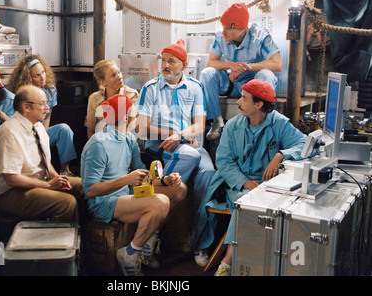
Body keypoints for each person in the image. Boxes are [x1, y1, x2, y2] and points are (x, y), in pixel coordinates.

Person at [193, 79, 307, 276]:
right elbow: (224, 161)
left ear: (259, 104)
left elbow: (305, 144)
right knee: (245, 204)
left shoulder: (279, 123)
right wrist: (244, 182)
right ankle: (227, 264)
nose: (238, 102)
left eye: (244, 98)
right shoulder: (233, 125)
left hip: (267, 185)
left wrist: (281, 154)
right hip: (235, 184)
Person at [81, 94, 187, 276]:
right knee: (160, 202)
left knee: (179, 189)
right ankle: (130, 253)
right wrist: (126, 180)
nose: (137, 114)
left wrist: (164, 180)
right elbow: (90, 191)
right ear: (125, 117)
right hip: (104, 201)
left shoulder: (129, 138)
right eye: (134, 111)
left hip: (126, 191)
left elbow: (142, 174)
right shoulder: (98, 144)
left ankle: (148, 240)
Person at [136, 39, 216, 266]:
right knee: (189, 156)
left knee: (209, 175)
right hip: (159, 146)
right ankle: (152, 234)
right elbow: (142, 127)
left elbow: (200, 125)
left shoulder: (195, 87)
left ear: (184, 64)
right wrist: (171, 134)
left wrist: (180, 136)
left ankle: (200, 244)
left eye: (171, 61)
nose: (165, 65)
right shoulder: (150, 88)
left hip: (190, 145)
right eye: (163, 60)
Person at [0, 85, 83, 223]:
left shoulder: (38, 126)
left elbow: (44, 160)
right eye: (43, 103)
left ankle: (88, 238)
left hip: (39, 181)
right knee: (67, 203)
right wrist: (50, 186)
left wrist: (58, 179)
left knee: (87, 186)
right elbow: (11, 179)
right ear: (26, 107)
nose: (47, 107)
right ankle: (56, 243)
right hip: (9, 192)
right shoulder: (10, 132)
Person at [200, 2, 283, 140]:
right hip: (233, 83)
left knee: (266, 75)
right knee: (207, 73)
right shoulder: (220, 36)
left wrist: (246, 66)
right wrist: (231, 65)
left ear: (243, 29)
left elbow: (277, 64)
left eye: (228, 28)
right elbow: (211, 62)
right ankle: (216, 122)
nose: (223, 31)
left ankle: (261, 123)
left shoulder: (260, 36)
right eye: (223, 27)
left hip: (253, 89)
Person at [7, 54, 77, 175]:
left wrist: (43, 134)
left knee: (64, 129)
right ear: (28, 78)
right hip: (25, 133)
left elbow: (48, 115)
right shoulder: (23, 93)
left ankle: (64, 171)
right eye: (37, 75)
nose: (42, 77)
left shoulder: (50, 90)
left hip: (42, 129)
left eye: (43, 72)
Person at [86, 60, 139, 138]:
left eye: (119, 72)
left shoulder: (131, 95)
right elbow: (91, 130)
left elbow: (132, 128)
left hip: (125, 141)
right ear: (103, 82)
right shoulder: (94, 98)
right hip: (101, 142)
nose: (119, 77)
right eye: (113, 75)